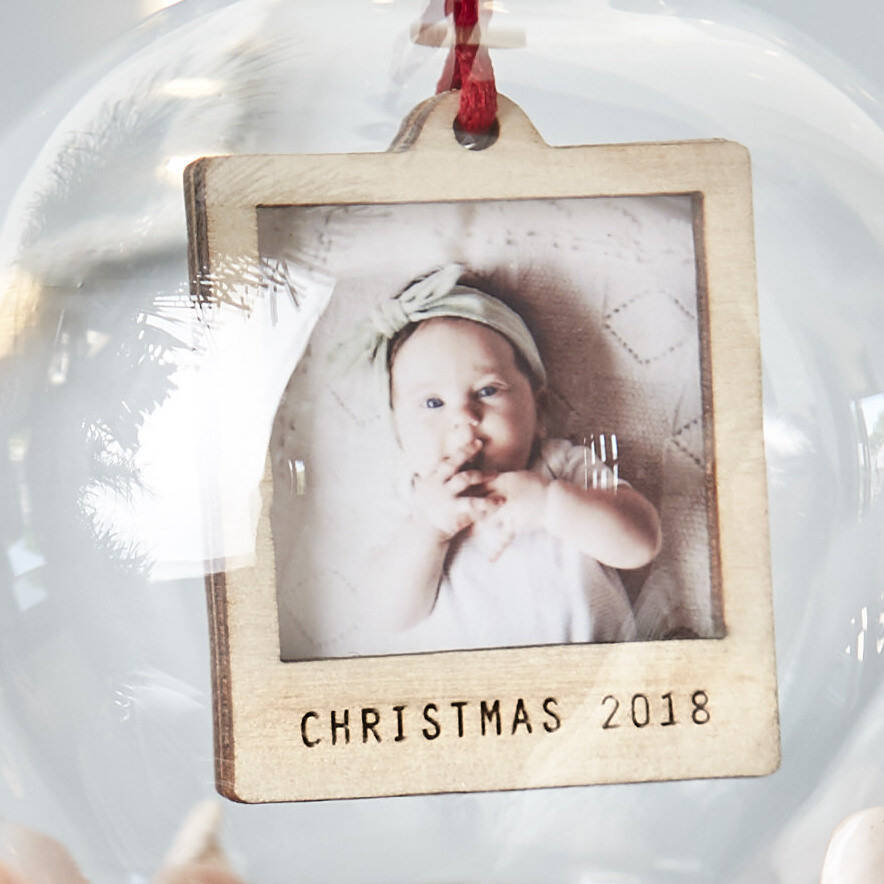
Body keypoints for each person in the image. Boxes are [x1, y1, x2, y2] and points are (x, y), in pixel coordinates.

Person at [359, 265, 661, 651]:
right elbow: (387, 615)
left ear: (540, 412)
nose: (463, 418)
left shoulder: (561, 467)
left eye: (487, 390)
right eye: (433, 402)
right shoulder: (413, 501)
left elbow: (641, 542)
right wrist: (428, 528)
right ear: (398, 432)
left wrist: (551, 504)